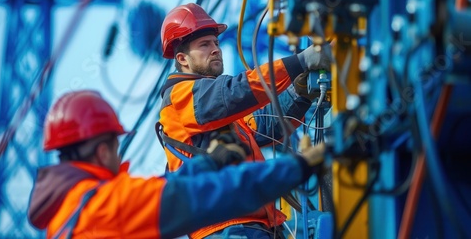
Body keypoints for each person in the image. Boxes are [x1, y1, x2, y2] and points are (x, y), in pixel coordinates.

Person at [27, 90, 326, 239]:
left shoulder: (67, 216)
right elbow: (211, 195)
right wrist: (299, 166)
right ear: (103, 150)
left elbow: (164, 189)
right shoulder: (105, 206)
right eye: (117, 146)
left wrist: (211, 162)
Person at [157, 3, 331, 238]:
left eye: (216, 43)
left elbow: (268, 126)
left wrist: (299, 94)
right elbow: (237, 91)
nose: (216, 49)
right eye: (205, 44)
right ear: (182, 59)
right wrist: (299, 62)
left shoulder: (213, 112)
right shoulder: (181, 96)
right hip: (227, 228)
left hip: (249, 226)